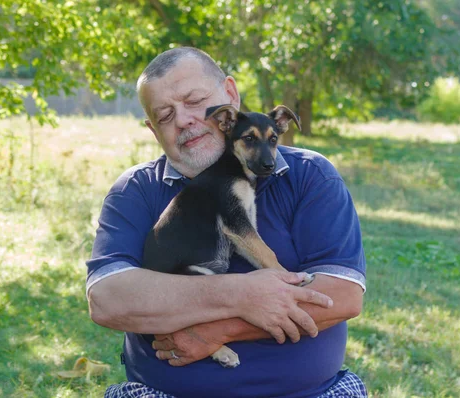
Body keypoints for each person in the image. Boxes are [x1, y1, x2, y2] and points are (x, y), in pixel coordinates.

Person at [86, 47, 368, 398]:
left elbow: (342, 297)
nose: (185, 120)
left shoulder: (310, 176)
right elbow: (107, 301)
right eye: (165, 115)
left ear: (230, 96)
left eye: (195, 101)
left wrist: (219, 329)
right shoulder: (135, 190)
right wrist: (242, 294)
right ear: (153, 130)